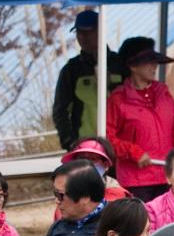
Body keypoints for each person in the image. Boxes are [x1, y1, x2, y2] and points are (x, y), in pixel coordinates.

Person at [107, 38, 174, 202]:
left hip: (167, 176)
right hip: (135, 181)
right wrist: (134, 152)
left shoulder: (164, 93)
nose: (154, 66)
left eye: (155, 61)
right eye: (149, 61)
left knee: (168, 225)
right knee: (141, 225)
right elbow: (108, 138)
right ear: (133, 66)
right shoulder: (118, 99)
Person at [52, 9, 122, 150]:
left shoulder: (120, 64)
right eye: (79, 32)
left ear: (100, 31)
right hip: (87, 149)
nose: (83, 37)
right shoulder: (71, 70)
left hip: (121, 146)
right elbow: (60, 111)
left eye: (88, 31)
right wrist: (70, 143)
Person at [31, 162, 107, 236]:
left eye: (60, 195)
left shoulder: (114, 225)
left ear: (85, 197)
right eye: (55, 194)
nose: (56, 201)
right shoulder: (59, 226)